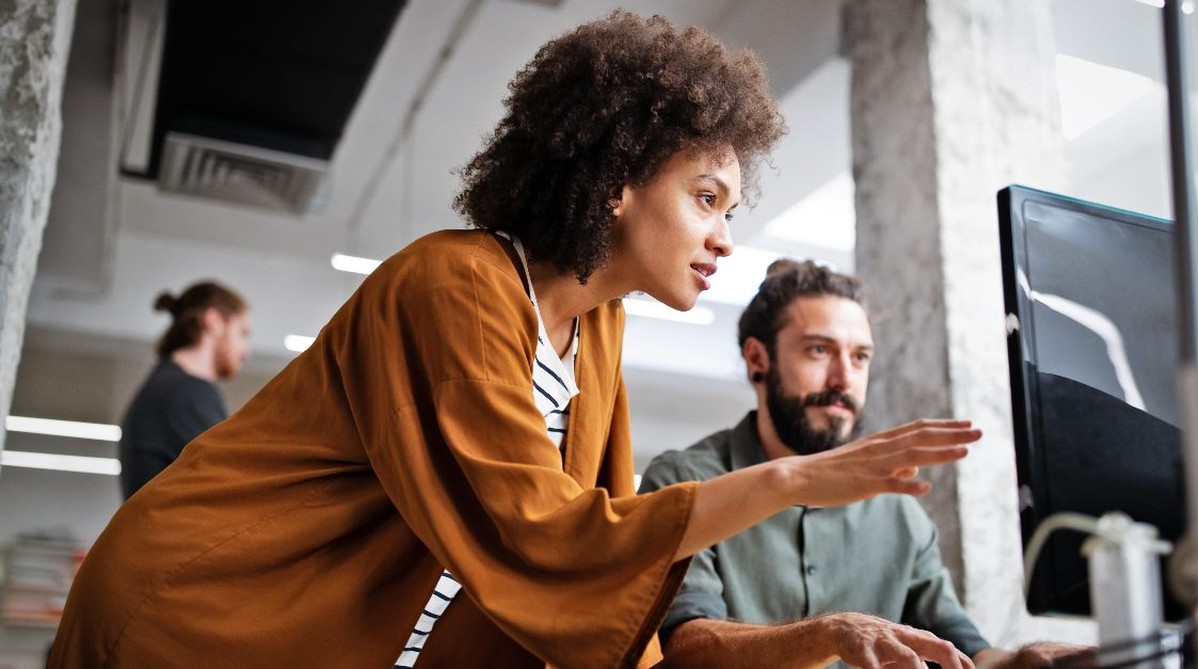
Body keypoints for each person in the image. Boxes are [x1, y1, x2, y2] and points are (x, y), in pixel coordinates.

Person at [49, 12, 980, 669]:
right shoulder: (453, 284)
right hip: (201, 613)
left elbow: (603, 549)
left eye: (730, 210)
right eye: (706, 198)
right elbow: (544, 532)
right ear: (617, 178)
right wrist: (795, 480)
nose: (725, 238)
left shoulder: (598, 329)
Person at [640, 260, 1094, 669]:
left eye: (859, 357)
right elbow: (686, 647)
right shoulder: (685, 481)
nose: (844, 380)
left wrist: (1022, 661)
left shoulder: (897, 508)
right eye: (819, 350)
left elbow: (961, 643)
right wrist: (830, 633)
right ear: (759, 358)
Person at [118, 281, 251, 499]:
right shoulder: (185, 392)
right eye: (242, 333)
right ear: (214, 321)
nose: (246, 352)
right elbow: (233, 486)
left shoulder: (169, 386)